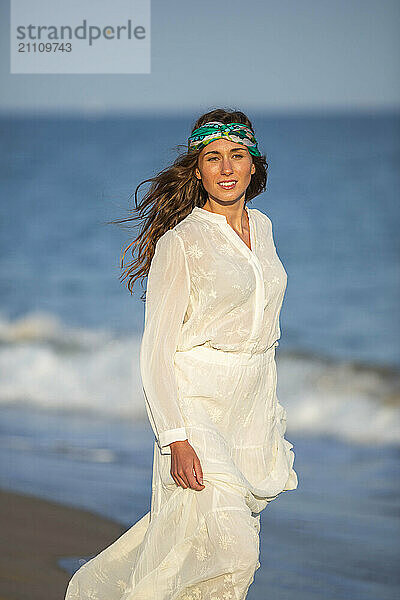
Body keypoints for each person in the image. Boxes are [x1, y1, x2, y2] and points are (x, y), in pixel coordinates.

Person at [64, 108, 298, 600]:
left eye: (238, 156)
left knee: (193, 551)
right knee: (235, 552)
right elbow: (155, 352)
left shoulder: (266, 228)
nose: (227, 168)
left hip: (249, 412)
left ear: (255, 165)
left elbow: (265, 332)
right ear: (197, 170)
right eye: (213, 158)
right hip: (196, 411)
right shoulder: (182, 241)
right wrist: (175, 438)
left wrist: (271, 412)